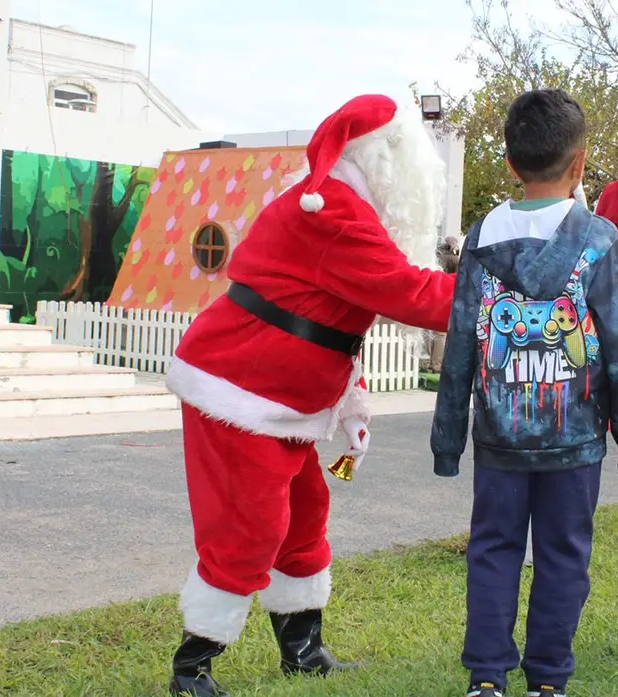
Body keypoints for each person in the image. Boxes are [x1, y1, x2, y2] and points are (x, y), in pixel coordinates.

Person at [161, 94, 457, 697]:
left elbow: (330, 316)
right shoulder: (331, 210)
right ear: (383, 160)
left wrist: (349, 398)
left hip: (283, 399)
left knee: (303, 514)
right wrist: (507, 294)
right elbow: (409, 293)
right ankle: (192, 664)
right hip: (238, 388)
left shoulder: (347, 205)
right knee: (251, 525)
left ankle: (302, 649)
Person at [431, 88, 618, 697]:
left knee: (493, 551)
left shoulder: (479, 238)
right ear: (581, 165)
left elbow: (459, 349)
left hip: (499, 438)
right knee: (563, 557)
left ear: (509, 163)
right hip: (575, 442)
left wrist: (449, 440)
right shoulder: (600, 238)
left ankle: (486, 679)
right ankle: (548, 681)